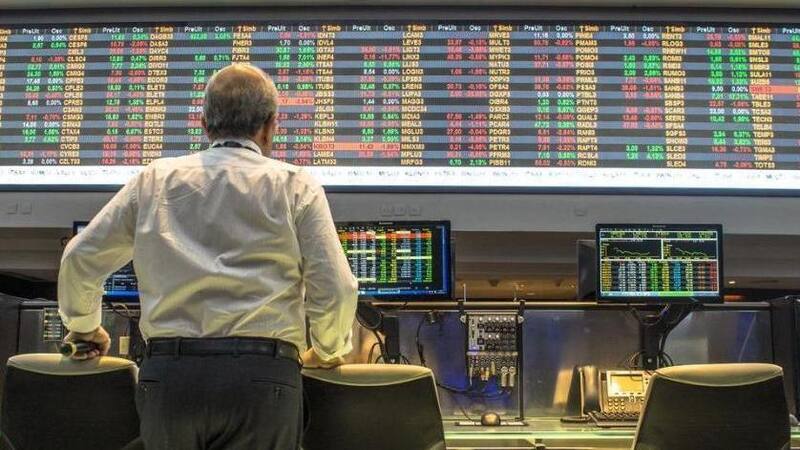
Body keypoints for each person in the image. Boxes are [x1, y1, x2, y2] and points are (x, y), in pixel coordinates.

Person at [58, 63, 359, 449]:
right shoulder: (295, 185)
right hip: (263, 381)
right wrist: (329, 349)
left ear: (204, 125)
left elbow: (80, 257)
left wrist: (85, 327)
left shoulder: (155, 179)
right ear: (270, 126)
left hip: (170, 379)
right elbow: (335, 287)